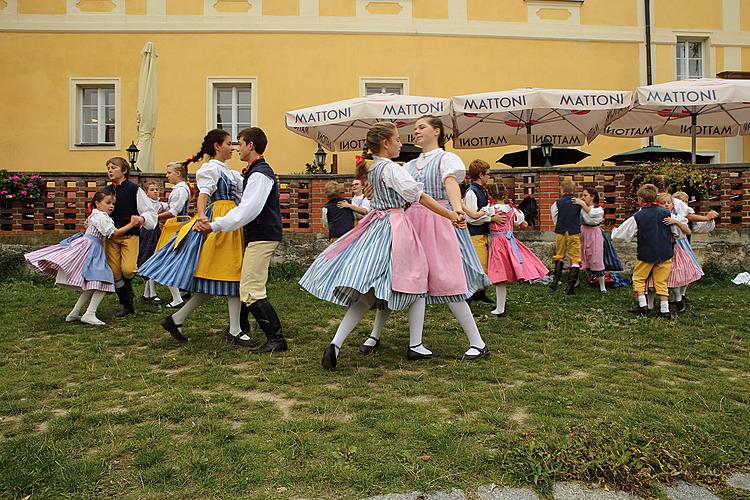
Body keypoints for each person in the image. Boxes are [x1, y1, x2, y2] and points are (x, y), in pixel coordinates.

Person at [299, 122, 463, 370]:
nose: (400, 143)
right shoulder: (391, 169)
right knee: (417, 280)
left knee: (367, 295)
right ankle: (415, 344)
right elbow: (419, 196)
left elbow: (381, 197)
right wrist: (449, 215)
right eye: (397, 139)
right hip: (395, 227)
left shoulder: (373, 168)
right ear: (385, 143)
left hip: (375, 226)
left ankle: (336, 343)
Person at [360, 115, 492, 361]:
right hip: (411, 223)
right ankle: (388, 337)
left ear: (437, 131)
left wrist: (457, 210)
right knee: (399, 280)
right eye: (415, 128)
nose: (416, 131)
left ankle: (478, 342)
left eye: (422, 127)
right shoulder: (409, 165)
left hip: (436, 223)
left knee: (447, 279)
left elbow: (451, 184)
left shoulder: (446, 158)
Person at [139, 129, 252, 347]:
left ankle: (176, 319)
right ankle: (234, 330)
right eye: (229, 143)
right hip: (219, 220)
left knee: (217, 280)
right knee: (231, 275)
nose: (233, 147)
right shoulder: (210, 169)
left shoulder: (229, 172)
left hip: (229, 220)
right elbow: (203, 196)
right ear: (217, 146)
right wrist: (202, 218)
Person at [194, 127, 288, 354]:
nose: (237, 148)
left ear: (251, 145)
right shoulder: (255, 172)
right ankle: (240, 328)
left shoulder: (259, 174)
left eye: (240, 142)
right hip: (259, 235)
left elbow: (248, 210)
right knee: (246, 284)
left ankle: (276, 339)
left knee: (251, 289)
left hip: (262, 236)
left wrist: (215, 225)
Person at [25, 190, 141, 325]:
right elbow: (113, 234)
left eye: (113, 204)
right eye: (108, 203)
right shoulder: (100, 217)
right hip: (91, 249)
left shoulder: (97, 215)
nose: (111, 206)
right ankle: (90, 313)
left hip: (92, 247)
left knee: (93, 283)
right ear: (97, 203)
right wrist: (131, 225)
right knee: (105, 279)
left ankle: (75, 312)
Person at [464, 182, 547, 317]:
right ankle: (500, 307)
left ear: (491, 195)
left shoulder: (490, 209)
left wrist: (462, 206)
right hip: (510, 241)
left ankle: (500, 308)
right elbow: (523, 224)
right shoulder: (512, 210)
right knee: (506, 271)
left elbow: (474, 215)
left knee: (499, 275)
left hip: (497, 243)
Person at [103, 157, 158, 317]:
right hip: (111, 237)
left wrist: (141, 219)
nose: (110, 171)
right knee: (114, 272)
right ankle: (127, 304)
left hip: (130, 236)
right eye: (108, 168)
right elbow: (98, 207)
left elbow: (148, 211)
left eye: (113, 167)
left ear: (124, 171)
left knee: (128, 269)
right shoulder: (106, 190)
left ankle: (128, 293)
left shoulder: (134, 189)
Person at [611, 183, 673, 319]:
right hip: (665, 251)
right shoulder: (666, 213)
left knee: (638, 278)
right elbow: (676, 231)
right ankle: (665, 310)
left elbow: (620, 235)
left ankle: (643, 305)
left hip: (647, 253)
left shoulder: (639, 216)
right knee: (661, 281)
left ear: (640, 199)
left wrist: (614, 232)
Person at [648, 193, 702, 313]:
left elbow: (688, 232)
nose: (666, 205)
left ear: (673, 205)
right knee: (651, 277)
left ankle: (678, 298)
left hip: (673, 250)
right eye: (663, 203)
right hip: (656, 250)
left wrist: (676, 222)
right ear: (656, 204)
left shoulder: (676, 217)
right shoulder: (652, 216)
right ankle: (650, 305)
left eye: (669, 202)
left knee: (673, 276)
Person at [463, 159, 505, 304]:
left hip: (482, 234)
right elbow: (471, 217)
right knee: (478, 267)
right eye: (487, 174)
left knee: (484, 265)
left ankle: (479, 293)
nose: (489, 176)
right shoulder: (471, 192)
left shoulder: (483, 190)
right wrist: (491, 218)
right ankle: (467, 299)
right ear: (481, 175)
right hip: (475, 234)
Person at [154, 161, 193, 308]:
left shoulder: (180, 190)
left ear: (178, 173)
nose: (167, 175)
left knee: (165, 259)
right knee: (168, 258)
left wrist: (154, 218)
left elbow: (174, 211)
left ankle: (177, 297)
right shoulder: (181, 189)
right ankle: (179, 292)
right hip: (176, 224)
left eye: (169, 173)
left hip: (176, 225)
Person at [550, 179, 582, 295]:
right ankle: (571, 285)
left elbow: (554, 215)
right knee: (575, 257)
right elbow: (582, 216)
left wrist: (558, 224)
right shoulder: (578, 202)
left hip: (561, 231)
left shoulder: (557, 202)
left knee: (559, 254)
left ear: (562, 190)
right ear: (573, 190)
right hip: (574, 231)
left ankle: (555, 281)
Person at [574, 187, 607, 293]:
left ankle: (602, 285)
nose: (583, 198)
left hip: (594, 233)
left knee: (597, 256)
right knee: (579, 255)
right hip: (583, 232)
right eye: (582, 195)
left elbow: (591, 213)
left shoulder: (598, 209)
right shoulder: (582, 208)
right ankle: (576, 281)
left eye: (585, 195)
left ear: (592, 196)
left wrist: (581, 203)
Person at [138, 180, 166, 304]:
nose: (155, 191)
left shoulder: (159, 204)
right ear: (146, 193)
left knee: (154, 257)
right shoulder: (146, 204)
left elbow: (171, 206)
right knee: (148, 257)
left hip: (156, 232)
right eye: (152, 189)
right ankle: (152, 293)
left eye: (156, 189)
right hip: (147, 232)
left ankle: (147, 294)